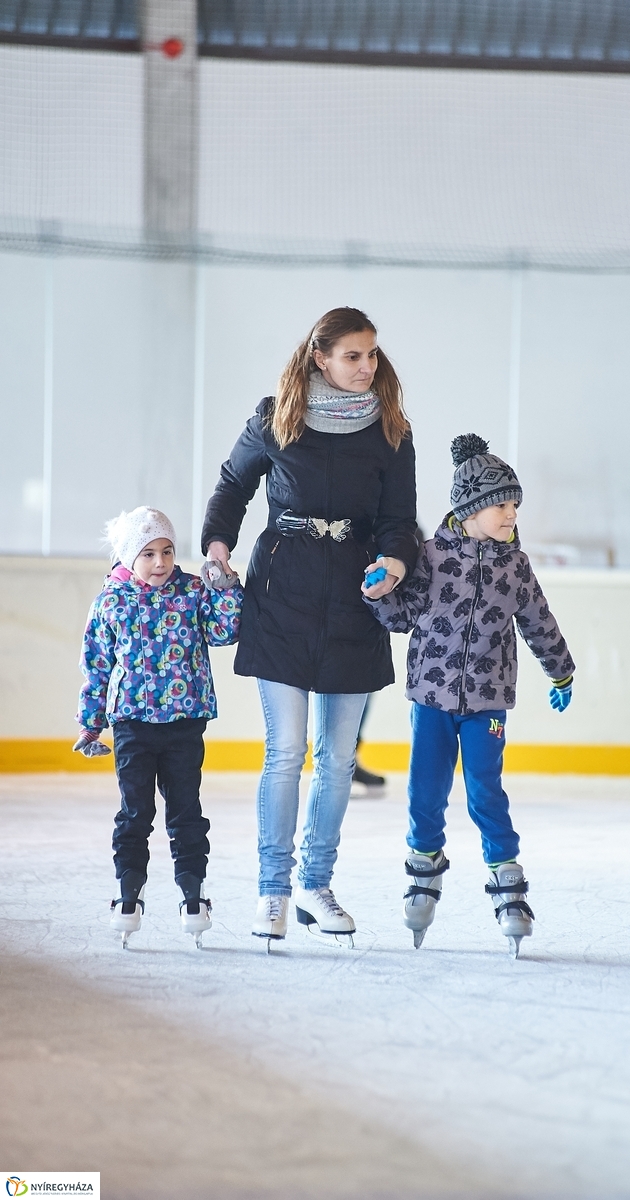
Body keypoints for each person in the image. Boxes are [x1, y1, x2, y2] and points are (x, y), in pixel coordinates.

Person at [201, 307, 417, 948]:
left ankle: (314, 885)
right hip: (283, 595)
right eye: (353, 356)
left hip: (356, 600)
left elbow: (399, 517)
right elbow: (232, 487)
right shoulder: (276, 417)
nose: (367, 367)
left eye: (372, 355)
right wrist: (218, 545)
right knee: (286, 752)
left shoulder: (391, 431)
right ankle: (272, 891)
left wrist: (398, 562)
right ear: (321, 357)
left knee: (338, 759)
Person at [364, 434, 575, 957]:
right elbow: (402, 614)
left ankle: (507, 882)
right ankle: (423, 869)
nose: (511, 514)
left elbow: (539, 623)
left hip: (488, 703)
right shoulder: (431, 557)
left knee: (485, 792)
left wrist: (561, 672)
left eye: (514, 505)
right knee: (425, 791)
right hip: (432, 699)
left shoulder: (515, 566)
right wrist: (374, 594)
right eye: (502, 504)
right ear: (472, 507)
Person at [74, 507, 243, 948]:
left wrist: (225, 588)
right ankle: (128, 890)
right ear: (130, 557)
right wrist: (91, 724)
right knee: (136, 812)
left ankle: (193, 893)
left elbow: (226, 632)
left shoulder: (192, 591)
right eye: (148, 554)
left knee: (185, 812)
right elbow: (96, 665)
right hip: (132, 723)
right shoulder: (111, 601)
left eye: (167, 551)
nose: (161, 562)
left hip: (185, 721)